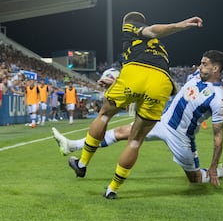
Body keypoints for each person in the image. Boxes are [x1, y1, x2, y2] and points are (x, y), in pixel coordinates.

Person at [67, 11, 203, 199]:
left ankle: (82, 165)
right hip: (162, 82)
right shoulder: (160, 49)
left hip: (136, 73)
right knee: (135, 141)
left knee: (104, 115)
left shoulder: (131, 26)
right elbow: (151, 79)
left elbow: (152, 31)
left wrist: (180, 25)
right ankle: (112, 189)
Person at [67, 52, 223, 201]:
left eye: (204, 64)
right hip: (162, 121)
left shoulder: (218, 97)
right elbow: (164, 88)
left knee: (195, 179)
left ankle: (219, 172)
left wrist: (213, 166)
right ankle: (76, 148)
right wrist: (117, 83)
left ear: (215, 68)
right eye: (201, 63)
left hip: (181, 137)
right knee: (121, 132)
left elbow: (218, 136)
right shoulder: (195, 76)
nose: (200, 67)